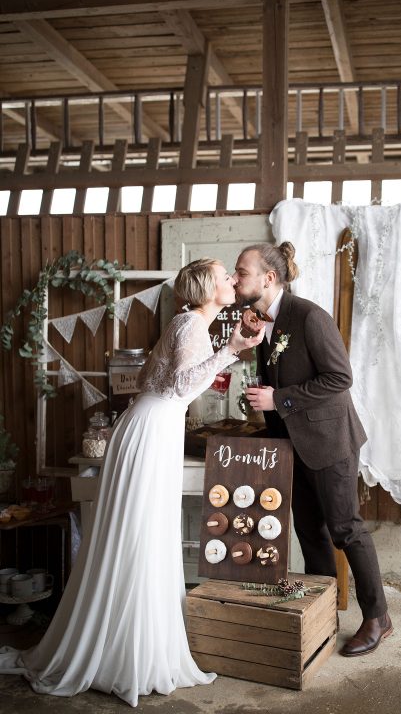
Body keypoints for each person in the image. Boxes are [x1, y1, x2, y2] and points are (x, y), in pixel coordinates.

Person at [0, 258, 264, 707]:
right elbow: (180, 386)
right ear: (207, 288)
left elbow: (149, 379)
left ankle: (128, 642)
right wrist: (232, 348)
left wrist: (227, 347)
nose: (232, 281)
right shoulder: (192, 327)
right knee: (138, 536)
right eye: (225, 277)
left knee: (140, 535)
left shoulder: (187, 323)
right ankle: (124, 653)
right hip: (151, 430)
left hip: (148, 426)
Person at [234, 242, 393, 657]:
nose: (235, 280)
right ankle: (323, 615)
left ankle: (378, 618)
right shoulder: (266, 320)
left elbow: (340, 378)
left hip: (329, 442)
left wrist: (279, 399)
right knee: (309, 532)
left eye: (241, 272)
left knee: (346, 529)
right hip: (291, 445)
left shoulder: (309, 316)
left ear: (269, 278)